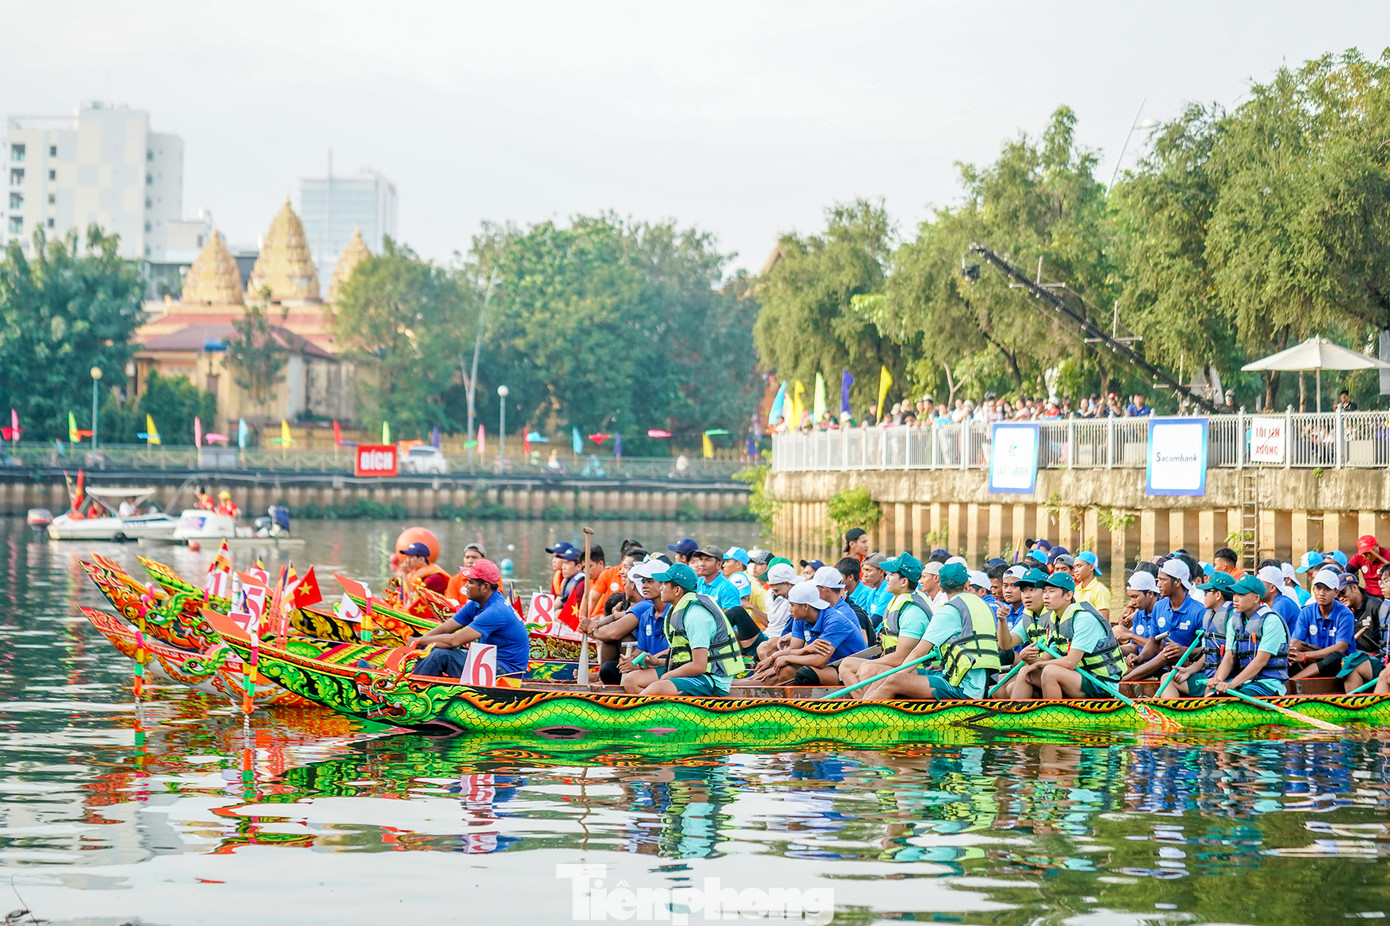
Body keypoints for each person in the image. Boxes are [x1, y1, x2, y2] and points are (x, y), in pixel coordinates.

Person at [860, 562, 1001, 701]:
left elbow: (918, 653)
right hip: (973, 681)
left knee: (894, 678)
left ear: (940, 586)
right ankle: (860, 706)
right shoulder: (983, 605)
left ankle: (860, 715)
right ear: (967, 584)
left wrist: (894, 678)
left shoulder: (949, 611)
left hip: (964, 688)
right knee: (886, 674)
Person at [1003, 573, 1122, 700]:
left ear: (1068, 595)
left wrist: (1038, 664)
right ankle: (1017, 716)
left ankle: (1054, 716)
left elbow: (1070, 662)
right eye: (1044, 592)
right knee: (1025, 673)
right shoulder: (1056, 620)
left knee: (1050, 672)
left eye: (1052, 591)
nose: (1046, 596)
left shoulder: (1084, 619)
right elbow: (1048, 657)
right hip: (1078, 676)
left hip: (1101, 683)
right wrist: (1029, 661)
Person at [409, 559, 530, 679]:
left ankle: (412, 689)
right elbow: (445, 628)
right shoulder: (476, 603)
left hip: (507, 673)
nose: (466, 586)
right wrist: (420, 642)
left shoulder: (496, 611)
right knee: (436, 648)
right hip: (488, 661)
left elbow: (454, 640)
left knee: (441, 655)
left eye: (470, 582)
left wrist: (418, 641)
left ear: (485, 587)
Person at [637, 563, 743, 697]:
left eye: (664, 584)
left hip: (712, 680)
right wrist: (658, 662)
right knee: (632, 680)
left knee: (657, 687)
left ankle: (635, 714)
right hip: (694, 672)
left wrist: (667, 676)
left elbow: (699, 666)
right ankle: (662, 712)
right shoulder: (679, 609)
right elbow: (685, 657)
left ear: (677, 590)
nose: (661, 588)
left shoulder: (695, 615)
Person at [837, 553, 932, 695]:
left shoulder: (913, 613)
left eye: (891, 574)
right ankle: (864, 705)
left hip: (915, 670)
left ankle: (867, 707)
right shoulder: (895, 601)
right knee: (846, 665)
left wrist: (869, 664)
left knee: (867, 669)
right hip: (893, 661)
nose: (886, 578)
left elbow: (901, 658)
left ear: (904, 582)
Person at [1184, 573, 1289, 698]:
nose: (1235, 598)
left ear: (1256, 598)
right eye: (1234, 594)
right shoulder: (1235, 620)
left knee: (1228, 700)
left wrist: (1231, 684)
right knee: (1211, 697)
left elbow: (1261, 660)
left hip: (1268, 684)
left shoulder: (1271, 621)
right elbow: (1229, 657)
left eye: (1241, 594)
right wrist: (1218, 679)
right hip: (1245, 683)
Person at [1156, 571, 1237, 698]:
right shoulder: (1210, 616)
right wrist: (1189, 670)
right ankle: (1174, 715)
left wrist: (1216, 680)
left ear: (1218, 595)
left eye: (1206, 593)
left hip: (1227, 679)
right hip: (1209, 675)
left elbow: (1229, 656)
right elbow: (1209, 652)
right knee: (1168, 678)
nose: (1203, 596)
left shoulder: (1232, 619)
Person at [1290, 569, 1356, 678]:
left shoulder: (1345, 614)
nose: (1321, 593)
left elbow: (1340, 648)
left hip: (1340, 665)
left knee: (1334, 656)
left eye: (1327, 589)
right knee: (1292, 649)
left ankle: (1293, 681)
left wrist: (1305, 656)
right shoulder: (1307, 611)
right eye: (1318, 588)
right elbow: (1296, 641)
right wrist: (1292, 652)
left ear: (1336, 592)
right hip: (1315, 658)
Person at [995, 568, 1054, 678]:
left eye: (1032, 589)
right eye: (1023, 590)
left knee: (1024, 674)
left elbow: (1049, 658)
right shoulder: (1029, 616)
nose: (1026, 595)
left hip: (1054, 670)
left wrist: (1026, 658)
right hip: (1039, 666)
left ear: (1046, 592)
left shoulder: (1055, 615)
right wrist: (1002, 620)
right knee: (997, 684)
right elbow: (1006, 644)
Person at [1336, 575, 1388, 693]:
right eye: (1338, 595)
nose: (1341, 598)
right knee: (1347, 663)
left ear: (1355, 587)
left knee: (1351, 665)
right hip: (1352, 657)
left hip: (1376, 659)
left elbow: (1384, 643)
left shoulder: (1376, 606)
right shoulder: (1343, 611)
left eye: (1343, 592)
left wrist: (1371, 654)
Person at [1116, 570, 1159, 658]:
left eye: (1135, 597)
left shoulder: (1163, 612)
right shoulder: (1139, 615)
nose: (1132, 603)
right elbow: (1134, 647)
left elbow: (1160, 647)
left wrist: (1131, 636)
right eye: (1131, 598)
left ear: (1150, 593)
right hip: (1141, 660)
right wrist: (1116, 651)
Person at [689, 544, 742, 610]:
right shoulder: (697, 583)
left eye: (707, 560)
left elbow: (732, 616)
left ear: (719, 564)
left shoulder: (727, 588)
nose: (702, 564)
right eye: (700, 559)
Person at [398, 540, 450, 608]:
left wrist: (404, 574)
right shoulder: (413, 573)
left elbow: (411, 603)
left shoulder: (433, 578)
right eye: (407, 557)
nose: (407, 560)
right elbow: (401, 598)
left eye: (411, 557)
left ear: (421, 560)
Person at [1072, 551, 1111, 620]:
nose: (1075, 570)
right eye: (1074, 567)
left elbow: (1104, 621)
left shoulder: (1100, 590)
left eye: (1079, 566)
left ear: (1091, 567)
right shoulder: (1076, 589)